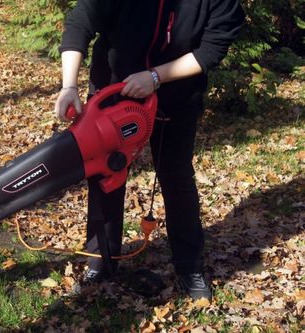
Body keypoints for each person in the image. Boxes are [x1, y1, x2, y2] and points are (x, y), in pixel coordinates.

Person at [54, 0, 245, 300]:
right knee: (106, 176)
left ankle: (189, 268)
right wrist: (68, 86)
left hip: (177, 96)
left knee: (177, 177)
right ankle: (101, 261)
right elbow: (81, 21)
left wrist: (155, 77)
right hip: (113, 91)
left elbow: (211, 50)